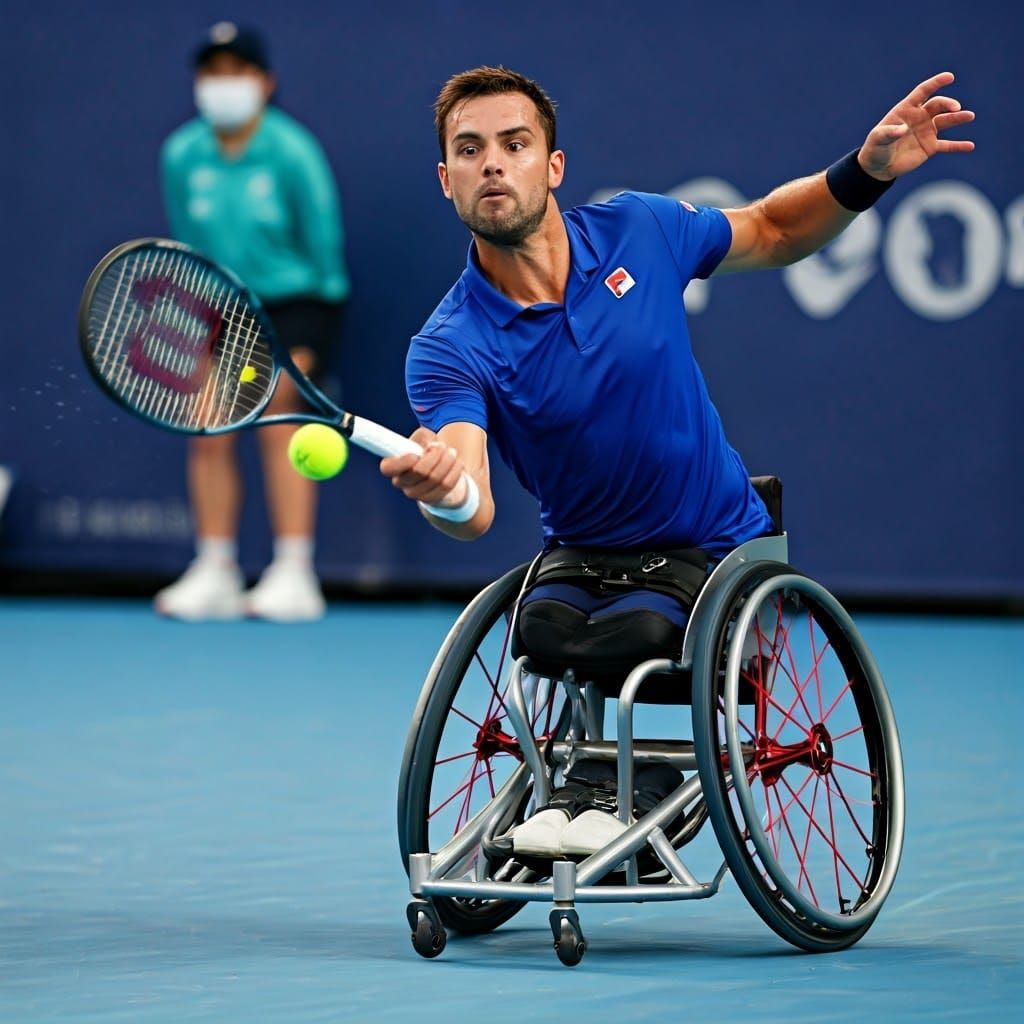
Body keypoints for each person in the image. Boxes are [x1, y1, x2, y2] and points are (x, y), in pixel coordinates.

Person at [379, 66, 974, 856]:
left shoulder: (640, 230)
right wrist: (441, 493)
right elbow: (472, 497)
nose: (493, 163)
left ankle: (630, 786)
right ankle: (587, 786)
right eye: (470, 148)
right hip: (581, 558)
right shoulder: (447, 346)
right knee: (544, 629)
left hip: (714, 547)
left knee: (638, 634)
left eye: (515, 144)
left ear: (552, 167)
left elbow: (774, 228)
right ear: (446, 178)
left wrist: (863, 172)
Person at [154, 22, 350, 622]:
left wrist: (318, 330)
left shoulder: (292, 151)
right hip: (227, 306)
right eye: (212, 73)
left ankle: (294, 572)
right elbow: (193, 251)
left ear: (264, 82)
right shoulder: (182, 154)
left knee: (276, 411)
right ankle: (215, 567)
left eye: (236, 72)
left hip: (298, 303)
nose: (224, 84)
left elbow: (324, 250)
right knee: (206, 422)